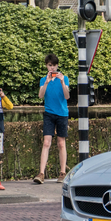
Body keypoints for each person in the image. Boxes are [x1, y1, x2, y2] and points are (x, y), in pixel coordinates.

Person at [34, 53, 70, 184]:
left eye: (54, 65)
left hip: (62, 113)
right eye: (50, 65)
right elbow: (40, 95)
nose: (52, 68)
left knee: (61, 143)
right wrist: (47, 82)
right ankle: (41, 173)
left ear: (57, 66)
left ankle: (62, 172)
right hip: (49, 113)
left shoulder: (64, 78)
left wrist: (61, 82)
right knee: (46, 142)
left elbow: (67, 96)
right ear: (46, 66)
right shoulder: (43, 80)